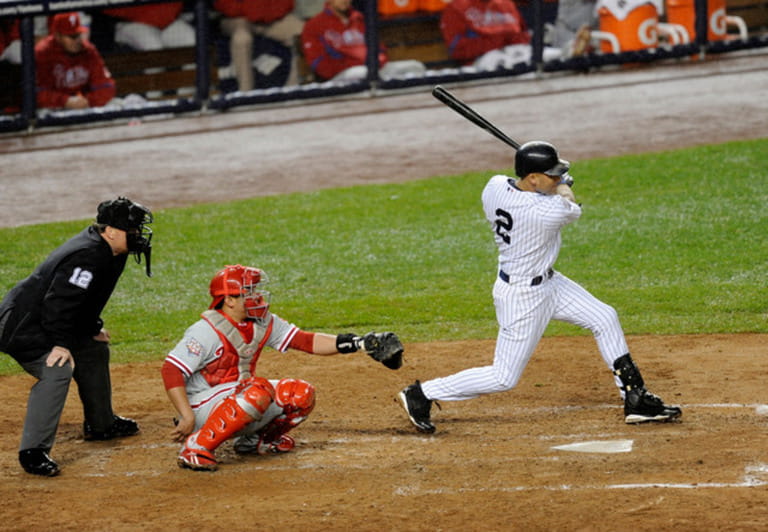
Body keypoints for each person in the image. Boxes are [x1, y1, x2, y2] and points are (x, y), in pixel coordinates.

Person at [398, 141, 682, 434]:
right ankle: (422, 393)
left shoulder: (493, 187)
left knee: (604, 316)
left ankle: (635, 398)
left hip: (550, 283)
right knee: (503, 377)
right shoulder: (546, 213)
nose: (558, 177)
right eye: (552, 173)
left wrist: (552, 181)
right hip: (523, 296)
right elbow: (570, 206)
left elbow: (522, 185)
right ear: (533, 178)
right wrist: (563, 186)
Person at [162, 264, 402, 471]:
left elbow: (305, 340)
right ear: (229, 299)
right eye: (249, 291)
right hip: (200, 407)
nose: (256, 296)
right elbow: (171, 369)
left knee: (299, 394)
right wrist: (186, 415)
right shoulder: (205, 331)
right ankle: (196, 446)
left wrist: (357, 343)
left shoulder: (263, 322)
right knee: (258, 390)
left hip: (236, 398)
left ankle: (255, 442)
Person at [0, 197, 154, 477]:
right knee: (57, 369)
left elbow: (85, 299)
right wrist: (60, 343)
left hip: (45, 320)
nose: (137, 235)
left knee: (94, 349)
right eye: (131, 229)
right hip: (23, 328)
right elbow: (58, 302)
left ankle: (102, 424)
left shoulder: (111, 251)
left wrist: (91, 327)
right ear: (110, 231)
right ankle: (32, 452)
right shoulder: (88, 255)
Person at [300, 0, 426, 82]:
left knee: (416, 67)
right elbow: (319, 64)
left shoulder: (359, 18)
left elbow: (379, 48)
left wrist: (378, 62)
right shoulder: (314, 25)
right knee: (361, 73)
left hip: (373, 69)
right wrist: (355, 64)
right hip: (341, 76)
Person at [440, 0, 567, 70]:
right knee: (523, 66)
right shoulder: (456, 8)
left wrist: (519, 39)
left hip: (519, 51)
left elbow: (522, 36)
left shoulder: (506, 4)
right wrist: (497, 41)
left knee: (561, 57)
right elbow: (456, 50)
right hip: (484, 60)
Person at [212, 0, 304, 90]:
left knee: (302, 32)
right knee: (242, 39)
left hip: (270, 17)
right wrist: (251, 10)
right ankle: (245, 94)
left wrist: (264, 13)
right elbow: (224, 5)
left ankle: (292, 89)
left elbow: (286, 3)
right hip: (237, 18)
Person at [34, 12, 116, 110]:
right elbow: (38, 94)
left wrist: (88, 100)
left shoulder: (88, 50)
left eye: (78, 35)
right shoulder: (43, 53)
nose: (77, 41)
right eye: (72, 37)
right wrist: (65, 101)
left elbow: (106, 86)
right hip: (53, 109)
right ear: (57, 36)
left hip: (84, 106)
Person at [102, 3, 195, 51]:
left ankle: (188, 88)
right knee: (153, 46)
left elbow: (173, 7)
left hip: (165, 21)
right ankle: (154, 88)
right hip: (130, 23)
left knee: (191, 39)